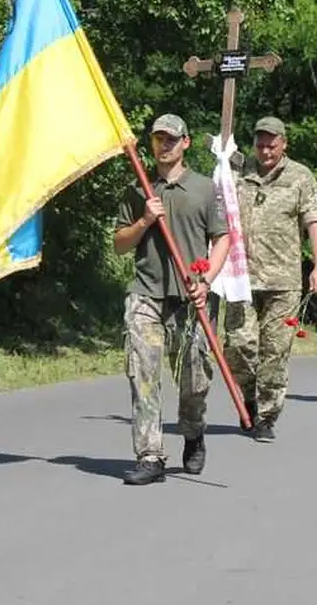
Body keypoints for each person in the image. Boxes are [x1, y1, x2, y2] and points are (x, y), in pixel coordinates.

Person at [113, 114, 230, 485]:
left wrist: (207, 280)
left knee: (195, 380)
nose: (163, 146)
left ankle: (193, 431)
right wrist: (145, 220)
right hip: (146, 294)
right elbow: (119, 244)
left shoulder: (205, 189)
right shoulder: (139, 188)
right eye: (157, 139)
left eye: (170, 140)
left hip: (191, 296)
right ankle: (150, 455)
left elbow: (223, 238)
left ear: (185, 143)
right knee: (143, 374)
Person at [225, 116, 317, 442]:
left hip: (283, 281)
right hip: (242, 277)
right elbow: (218, 203)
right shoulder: (239, 172)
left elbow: (314, 222)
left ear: (283, 143)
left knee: (275, 350)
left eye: (272, 144)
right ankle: (250, 398)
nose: (266, 151)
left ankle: (267, 417)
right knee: (238, 345)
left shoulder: (300, 177)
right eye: (260, 144)